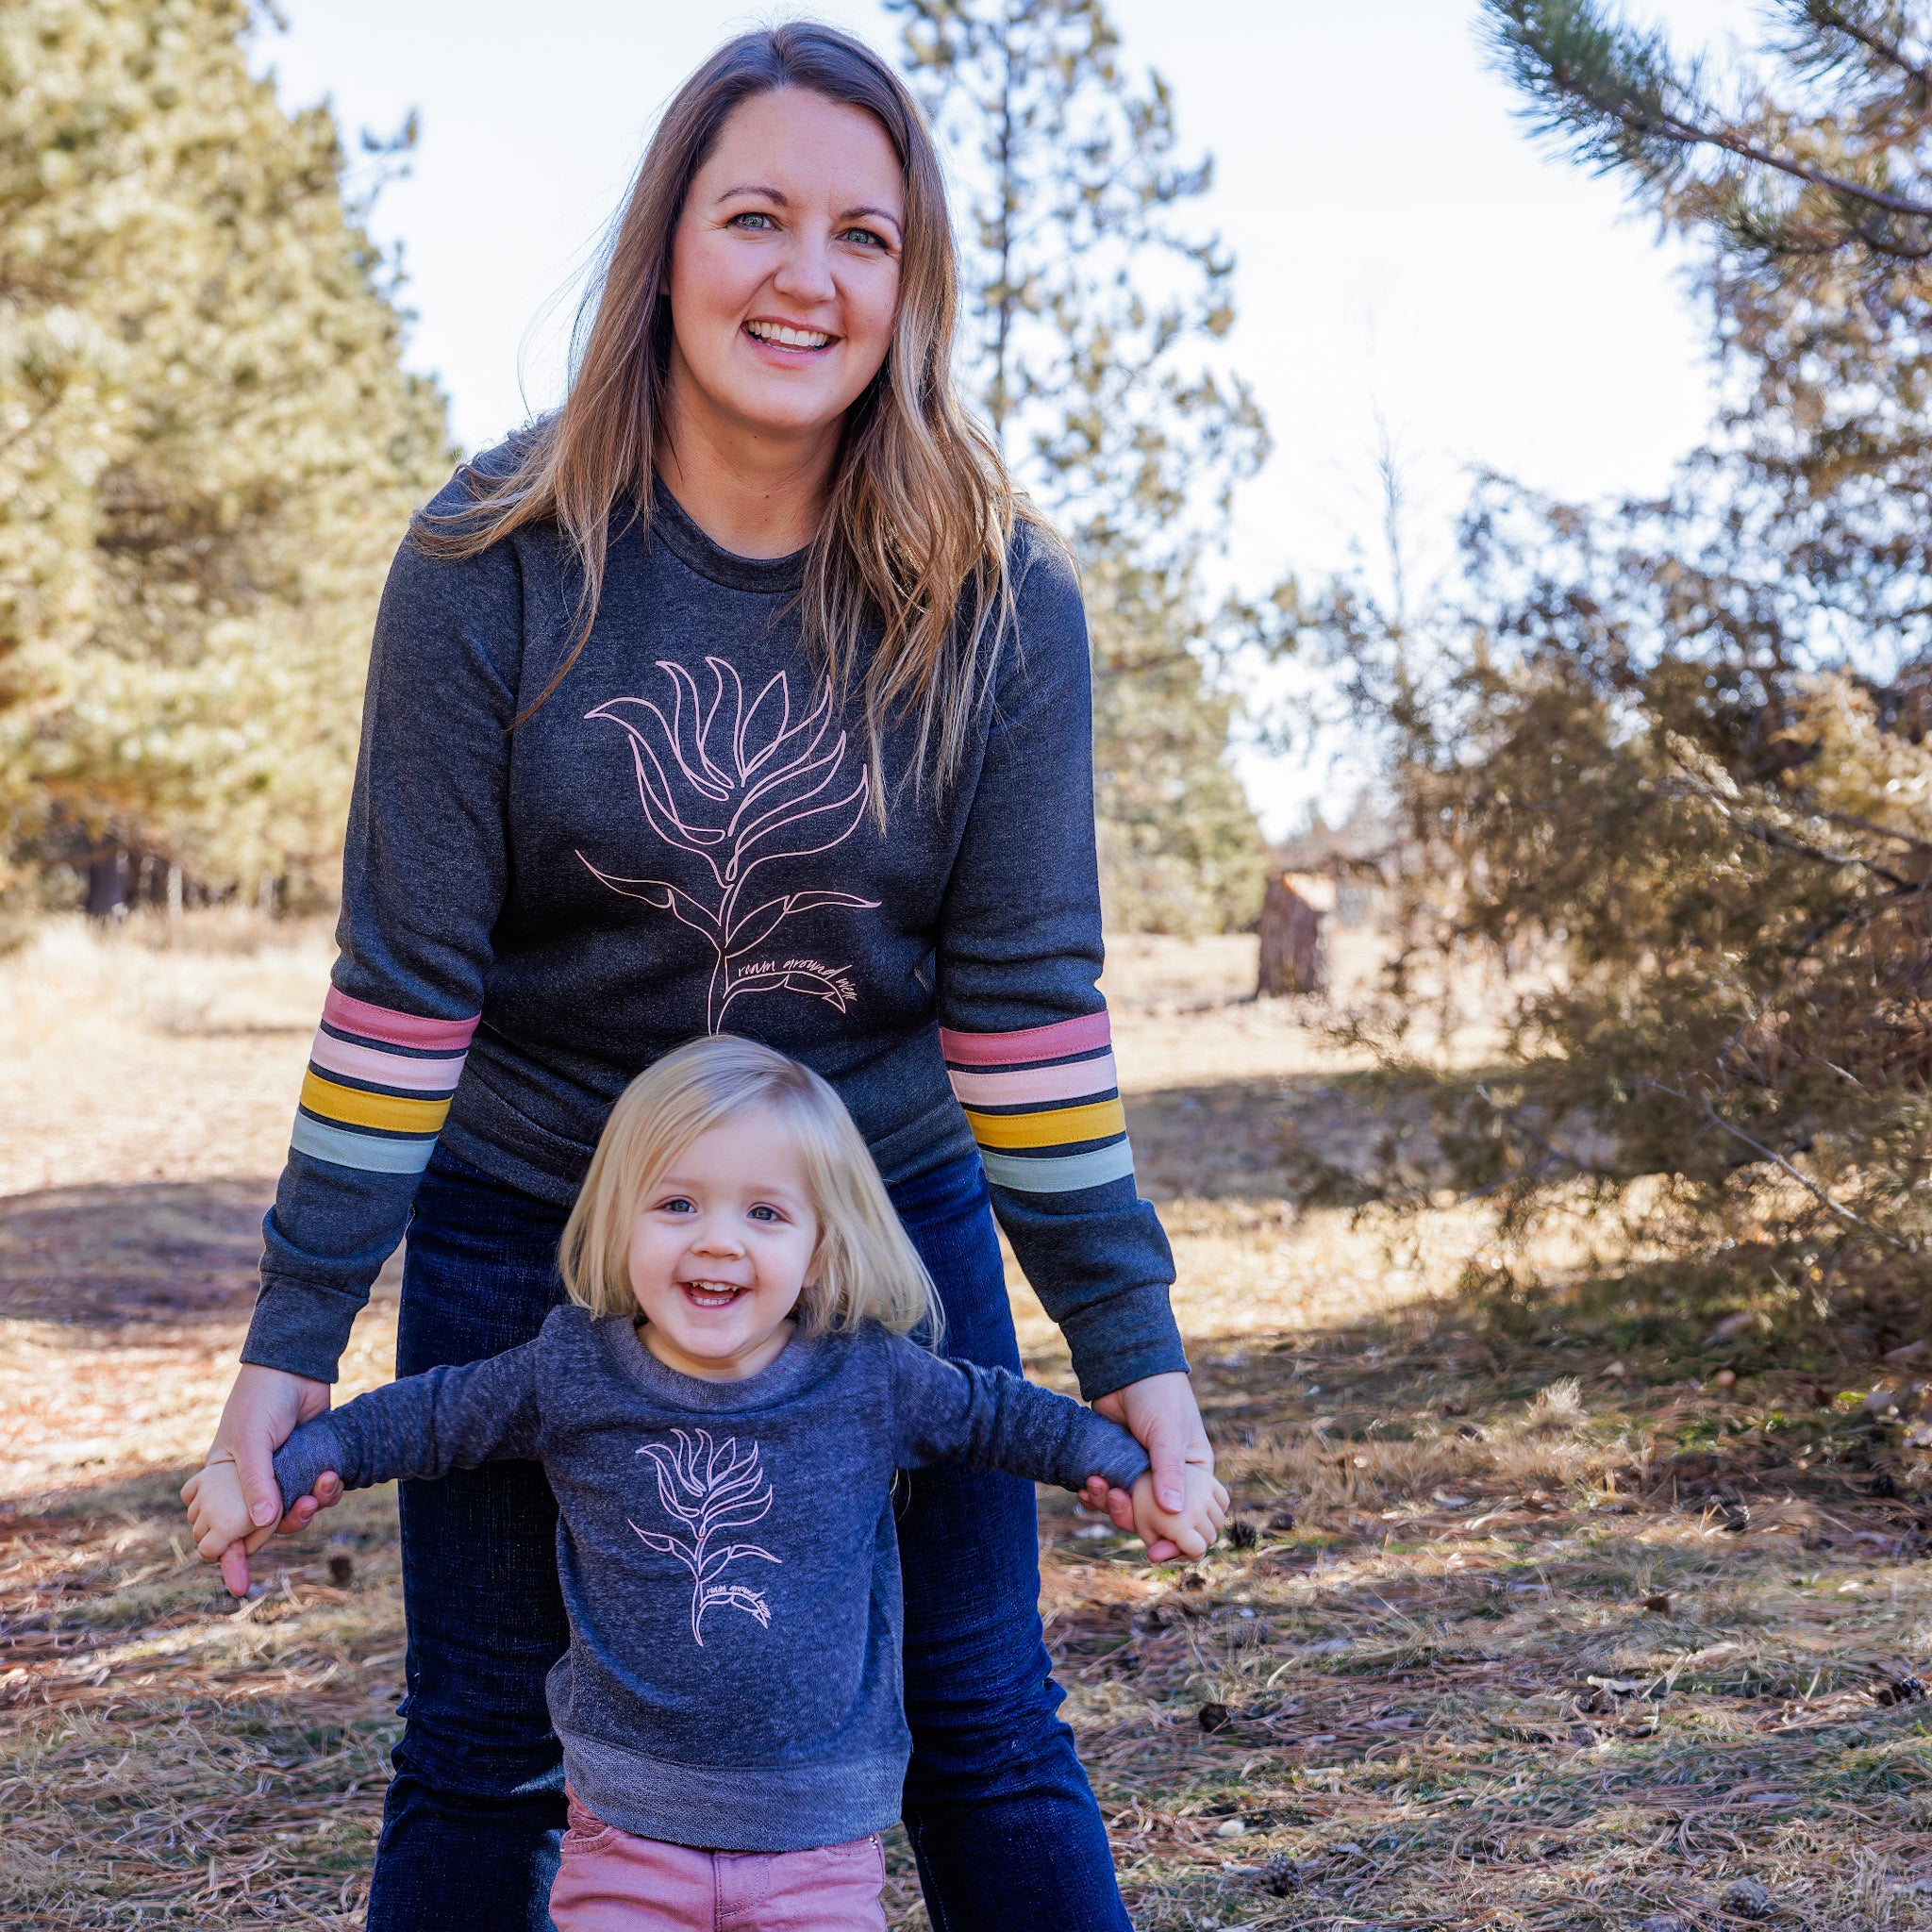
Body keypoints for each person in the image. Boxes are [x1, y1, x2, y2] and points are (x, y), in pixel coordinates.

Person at [195, 19, 1224, 1930]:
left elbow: (1024, 1011)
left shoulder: (996, 595)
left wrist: (1131, 1354)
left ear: (910, 286)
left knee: (980, 1711)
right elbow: (404, 985)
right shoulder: (491, 559)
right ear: (669, 241)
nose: (805, 277)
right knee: (484, 1740)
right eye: (755, 216)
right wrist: (290, 1343)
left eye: (863, 235)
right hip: (537, 1213)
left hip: (872, 1224)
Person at [185, 1039, 1225, 1931]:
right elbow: (419, 1418)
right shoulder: (570, 1370)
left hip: (818, 1842)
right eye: (676, 1202)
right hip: (624, 1836)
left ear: (822, 1249)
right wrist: (276, 1471)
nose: (717, 1238)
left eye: (765, 1212)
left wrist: (1135, 1472)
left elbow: (1010, 1416)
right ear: (617, 1222)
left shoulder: (871, 1377)